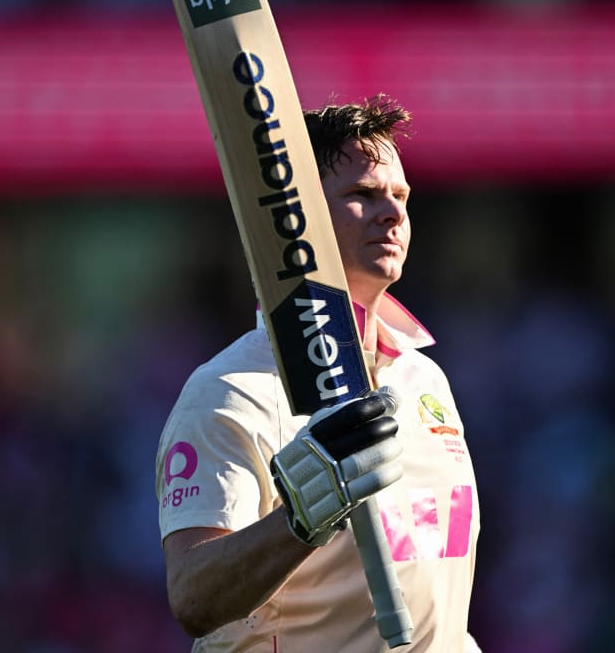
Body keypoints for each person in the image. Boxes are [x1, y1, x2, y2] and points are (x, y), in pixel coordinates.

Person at [155, 95, 481, 652]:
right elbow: (193, 597)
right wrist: (303, 518)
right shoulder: (230, 392)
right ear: (294, 222)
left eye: (400, 196)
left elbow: (434, 584)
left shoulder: (424, 380)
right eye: (361, 195)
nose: (393, 214)